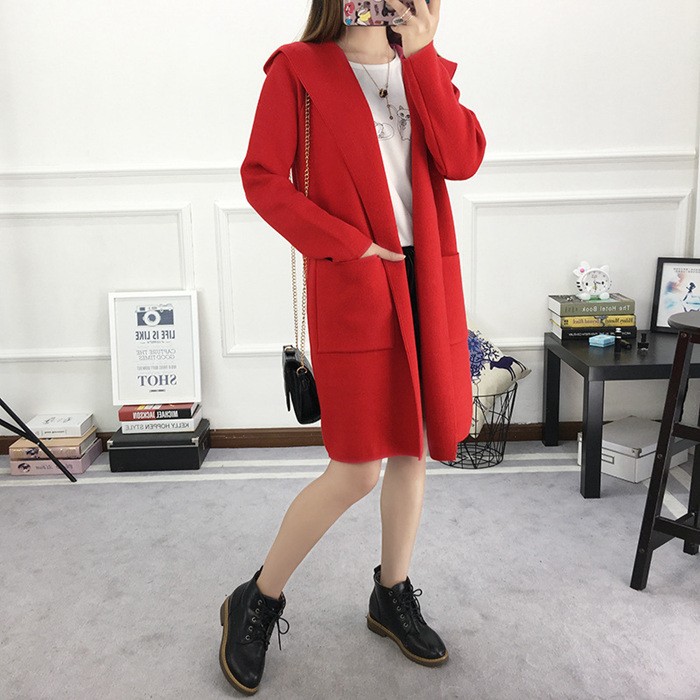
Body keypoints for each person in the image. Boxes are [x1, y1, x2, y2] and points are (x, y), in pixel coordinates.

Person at [219, 0, 486, 694]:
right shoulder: (298, 69)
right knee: (357, 468)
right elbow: (261, 177)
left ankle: (391, 593)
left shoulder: (420, 66)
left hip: (427, 278)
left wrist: (422, 55)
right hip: (357, 279)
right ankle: (258, 597)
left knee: (412, 450)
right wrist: (348, 245)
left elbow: (461, 159)